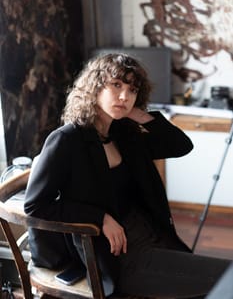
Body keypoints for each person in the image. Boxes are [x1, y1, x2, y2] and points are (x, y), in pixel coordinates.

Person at [24, 53, 231, 298]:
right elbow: (35, 206)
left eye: (132, 90)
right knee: (226, 281)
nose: (124, 96)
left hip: (153, 236)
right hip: (120, 259)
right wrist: (100, 217)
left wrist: (137, 113)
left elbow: (181, 145)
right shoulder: (66, 140)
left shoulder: (124, 133)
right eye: (117, 85)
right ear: (95, 87)